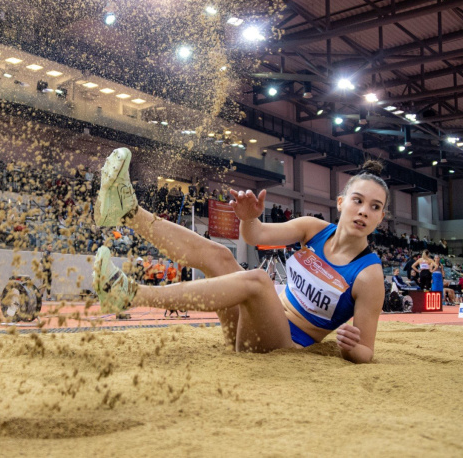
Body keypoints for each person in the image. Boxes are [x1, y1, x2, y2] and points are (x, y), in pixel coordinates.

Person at [92, 148, 388, 363]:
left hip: (283, 347)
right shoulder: (314, 229)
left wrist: (352, 349)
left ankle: (130, 295)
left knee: (259, 280)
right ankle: (128, 212)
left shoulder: (369, 276)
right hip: (249, 325)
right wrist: (249, 219)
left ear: (381, 217)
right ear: (341, 202)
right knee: (220, 255)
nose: (363, 211)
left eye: (374, 207)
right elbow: (256, 237)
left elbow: (366, 351)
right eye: (357, 200)